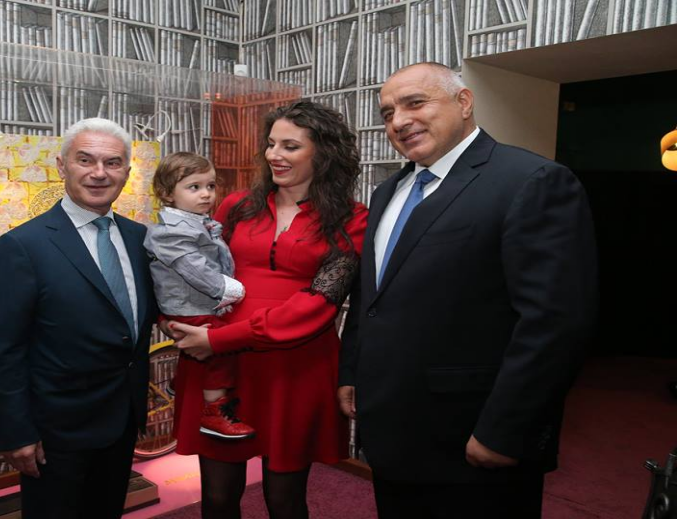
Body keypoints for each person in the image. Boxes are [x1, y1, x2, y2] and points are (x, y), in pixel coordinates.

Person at [338, 62, 598, 519]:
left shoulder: (531, 181)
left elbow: (555, 324)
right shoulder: (388, 192)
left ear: (463, 102)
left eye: (415, 103)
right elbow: (371, 295)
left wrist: (506, 430)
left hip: (472, 436)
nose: (399, 121)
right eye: (388, 113)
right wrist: (352, 371)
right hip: (392, 427)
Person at [169, 101, 369, 519]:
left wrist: (219, 339)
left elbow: (318, 304)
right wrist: (180, 322)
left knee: (285, 500)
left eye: (290, 146)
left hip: (293, 369)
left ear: (324, 152)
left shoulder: (351, 219)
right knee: (218, 497)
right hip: (221, 369)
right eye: (271, 144)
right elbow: (192, 267)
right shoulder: (237, 206)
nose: (274, 155)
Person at [0, 118, 158, 518]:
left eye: (112, 163)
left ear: (126, 171)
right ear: (62, 166)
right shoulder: (23, 245)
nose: (99, 173)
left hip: (122, 420)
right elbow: (5, 348)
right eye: (85, 160)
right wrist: (16, 431)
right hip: (56, 433)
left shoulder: (139, 238)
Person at [144, 152, 254, 440]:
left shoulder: (195, 221)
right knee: (221, 349)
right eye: (194, 187)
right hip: (188, 304)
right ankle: (213, 413)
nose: (206, 194)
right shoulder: (171, 231)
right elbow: (194, 269)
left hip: (194, 302)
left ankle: (177, 384)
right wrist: (229, 288)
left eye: (211, 186)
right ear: (167, 193)